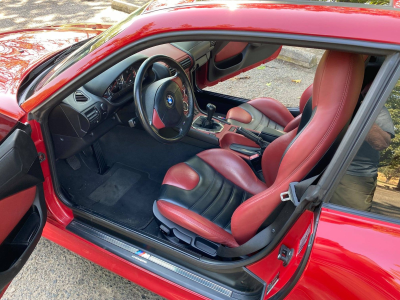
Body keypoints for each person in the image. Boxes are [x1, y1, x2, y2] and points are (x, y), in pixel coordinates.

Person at [330, 106, 395, 211]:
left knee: (348, 223)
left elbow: (382, 143)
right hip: (321, 169)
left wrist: (361, 115)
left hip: (354, 178)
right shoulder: (335, 101)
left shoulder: (376, 107)